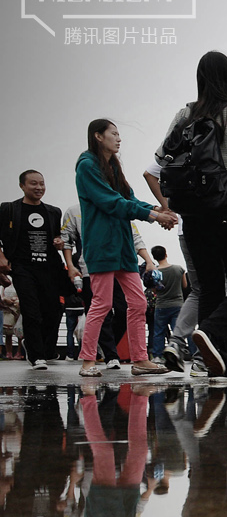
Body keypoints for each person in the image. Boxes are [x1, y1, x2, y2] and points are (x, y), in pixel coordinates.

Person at [156, 51, 227, 378]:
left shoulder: (185, 114)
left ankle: (215, 362)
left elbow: (161, 159)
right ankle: (209, 332)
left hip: (193, 209)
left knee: (208, 286)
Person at [75, 120, 178, 378]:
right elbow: (112, 203)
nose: (119, 139)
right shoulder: (87, 167)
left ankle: (140, 359)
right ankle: (88, 360)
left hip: (123, 246)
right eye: (114, 134)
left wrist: (157, 210)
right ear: (98, 136)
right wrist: (154, 217)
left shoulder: (113, 167)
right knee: (102, 303)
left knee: (138, 302)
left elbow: (129, 199)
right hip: (101, 246)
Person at [1, 169, 75, 369]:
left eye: (41, 183)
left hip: (50, 267)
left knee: (53, 310)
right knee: (30, 310)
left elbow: (58, 236)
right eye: (33, 183)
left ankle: (41, 347)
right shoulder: (9, 209)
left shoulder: (53, 211)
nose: (39, 187)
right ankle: (36, 356)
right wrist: (1, 256)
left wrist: (59, 242)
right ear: (22, 186)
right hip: (23, 268)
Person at [145, 245, 186, 358]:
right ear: (166, 254)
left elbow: (154, 290)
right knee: (177, 331)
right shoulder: (179, 269)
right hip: (177, 304)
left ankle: (157, 356)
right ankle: (178, 353)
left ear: (154, 257)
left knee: (158, 332)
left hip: (161, 305)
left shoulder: (155, 273)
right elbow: (185, 285)